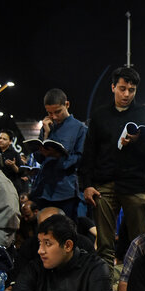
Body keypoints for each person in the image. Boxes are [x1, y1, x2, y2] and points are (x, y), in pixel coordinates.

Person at [79, 66, 145, 277]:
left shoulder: (144, 114)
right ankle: (104, 290)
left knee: (141, 241)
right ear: (113, 87)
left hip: (135, 184)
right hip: (103, 185)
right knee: (105, 243)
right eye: (122, 88)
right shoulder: (100, 115)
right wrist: (87, 184)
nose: (126, 94)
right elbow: (89, 153)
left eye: (131, 90)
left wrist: (137, 141)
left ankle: (140, 286)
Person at [31, 88, 87, 219]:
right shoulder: (47, 126)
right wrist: (45, 134)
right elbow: (39, 158)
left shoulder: (80, 128)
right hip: (44, 188)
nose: (54, 116)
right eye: (49, 113)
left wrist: (59, 157)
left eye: (57, 112)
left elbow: (80, 158)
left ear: (67, 105)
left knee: (65, 229)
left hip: (66, 189)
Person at [0, 129, 23, 194]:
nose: (1, 140)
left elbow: (20, 171)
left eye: (4, 139)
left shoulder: (14, 154)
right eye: (0, 138)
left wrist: (13, 165)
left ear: (10, 141)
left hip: (11, 186)